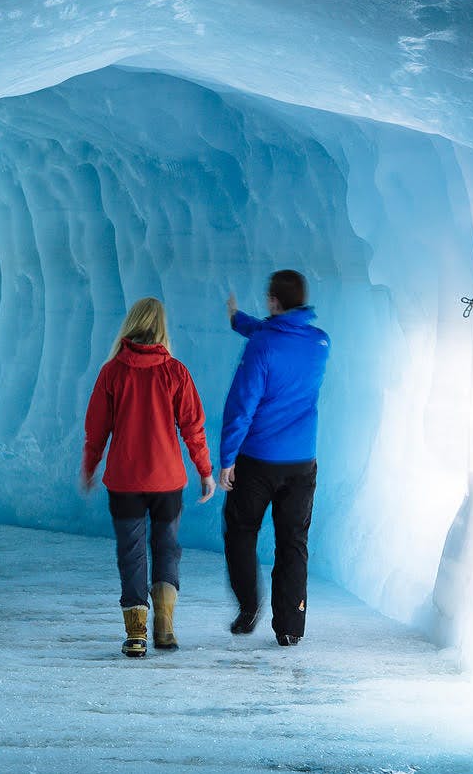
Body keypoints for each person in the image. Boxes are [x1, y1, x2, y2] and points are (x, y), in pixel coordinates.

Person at [82, 297, 217, 658]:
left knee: (131, 553)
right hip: (168, 481)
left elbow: (96, 429)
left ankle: (136, 633)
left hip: (124, 481)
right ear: (161, 327)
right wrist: (205, 471)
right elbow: (194, 428)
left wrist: (90, 465)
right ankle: (165, 627)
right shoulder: (175, 372)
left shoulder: (112, 372)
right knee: (167, 549)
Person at [219, 270, 330, 646]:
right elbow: (277, 338)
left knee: (240, 530)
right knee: (293, 542)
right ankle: (289, 629)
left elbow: (241, 406)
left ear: (272, 301)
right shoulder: (320, 343)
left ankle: (249, 605)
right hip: (302, 463)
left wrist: (226, 458)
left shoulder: (262, 346)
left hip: (257, 461)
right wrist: (239, 321)